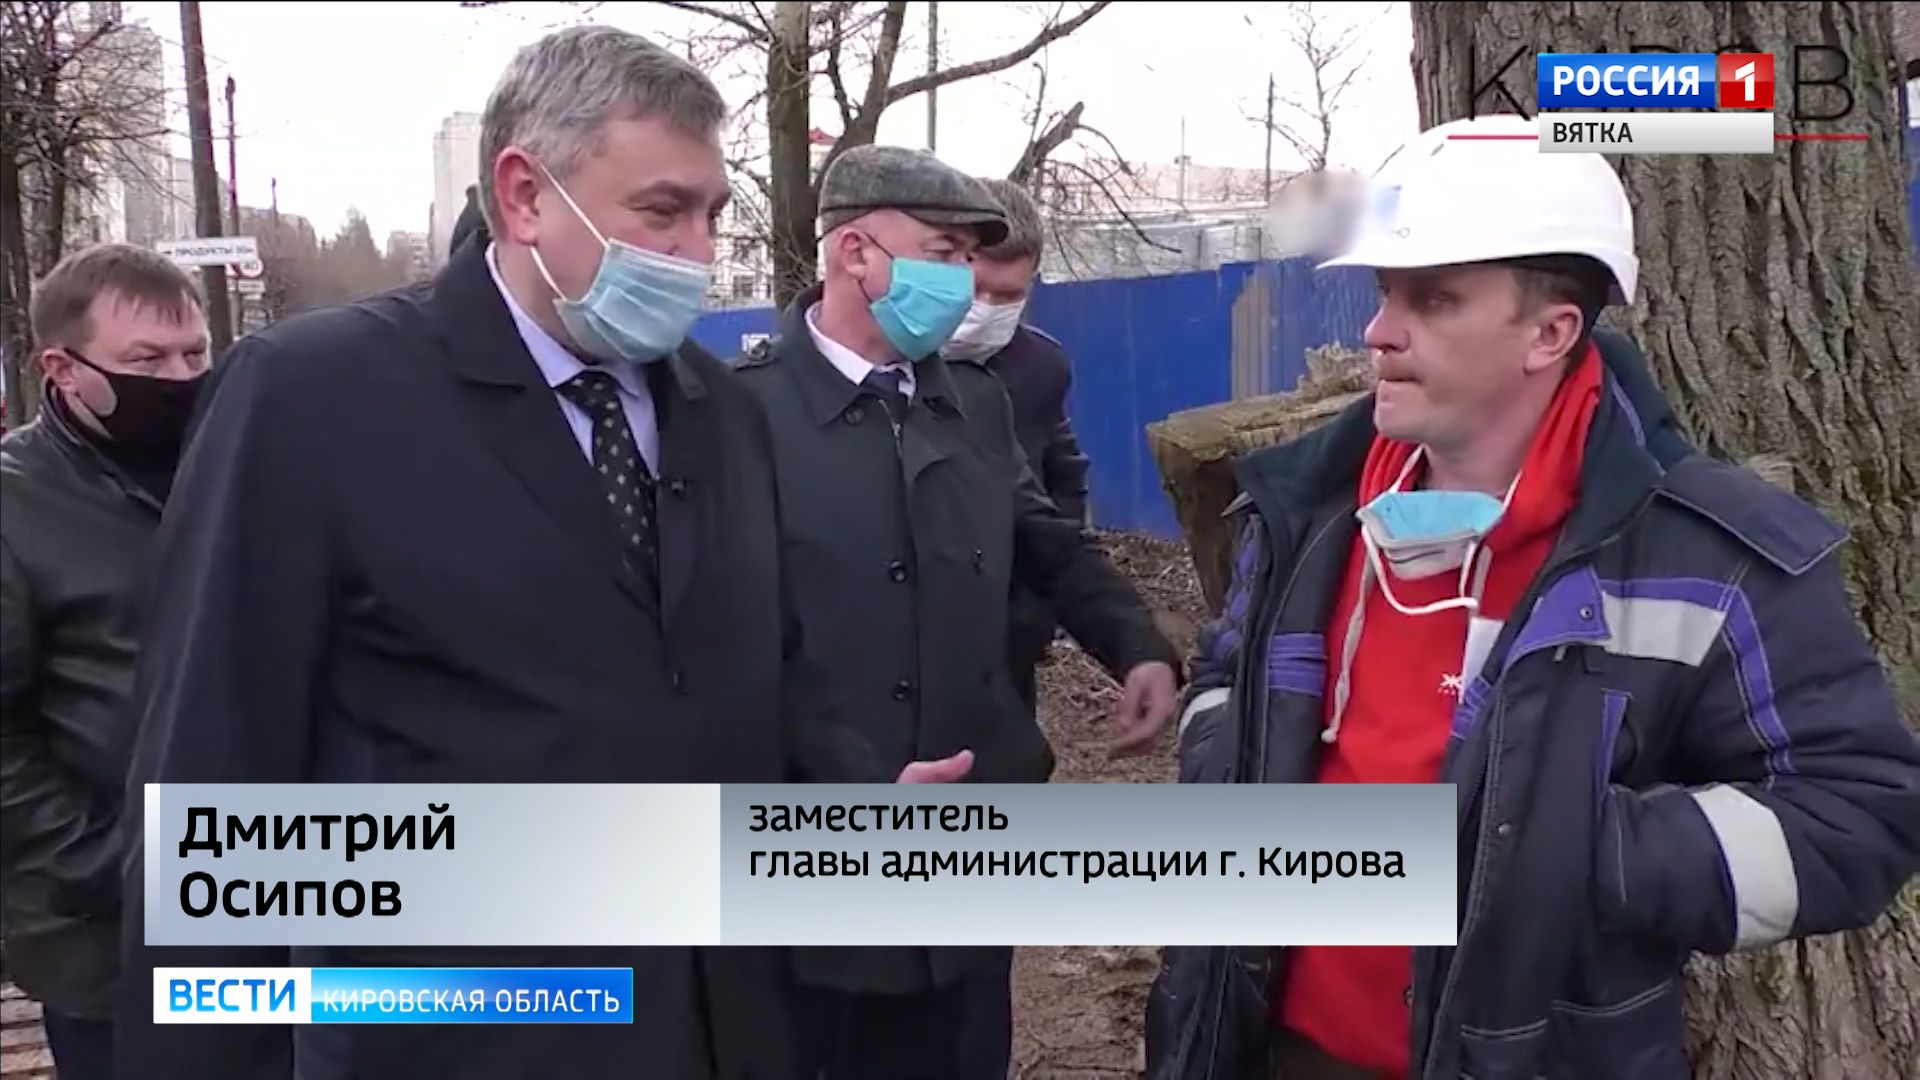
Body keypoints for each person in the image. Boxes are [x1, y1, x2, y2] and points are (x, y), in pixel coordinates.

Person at [110, 26, 922, 1080]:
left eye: (713, 214)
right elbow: (210, 774)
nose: (696, 252)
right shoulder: (315, 398)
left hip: (725, 1031)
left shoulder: (721, 412)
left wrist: (857, 805)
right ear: (526, 195)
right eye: (661, 211)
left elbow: (763, 675)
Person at [1145, 113, 1920, 1080]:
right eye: (1385, 293)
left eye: (1434, 299)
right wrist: (1235, 774)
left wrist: (1560, 851)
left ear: (1550, 333)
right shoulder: (1304, 511)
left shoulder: (1710, 556)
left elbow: (1859, 815)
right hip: (1268, 1045)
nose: (1379, 333)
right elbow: (1225, 674)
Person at [733, 143, 1184, 1080]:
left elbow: (1043, 537)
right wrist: (857, 789)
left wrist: (1136, 643)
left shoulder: (973, 403)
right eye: (943, 254)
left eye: (971, 257)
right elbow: (735, 642)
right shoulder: (740, 418)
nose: (966, 282)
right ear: (855, 253)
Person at [0, 243, 210, 1080]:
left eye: (195, 353)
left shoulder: (234, 462)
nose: (180, 377)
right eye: (147, 361)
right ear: (62, 369)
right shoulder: (16, 505)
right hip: (112, 945)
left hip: (269, 890)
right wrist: (118, 865)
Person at [935, 175, 1093, 1080]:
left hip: (1002, 662)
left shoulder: (1038, 369)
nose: (989, 312)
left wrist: (1043, 605)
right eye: (977, 287)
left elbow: (1059, 478)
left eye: (1011, 295)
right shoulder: (888, 359)